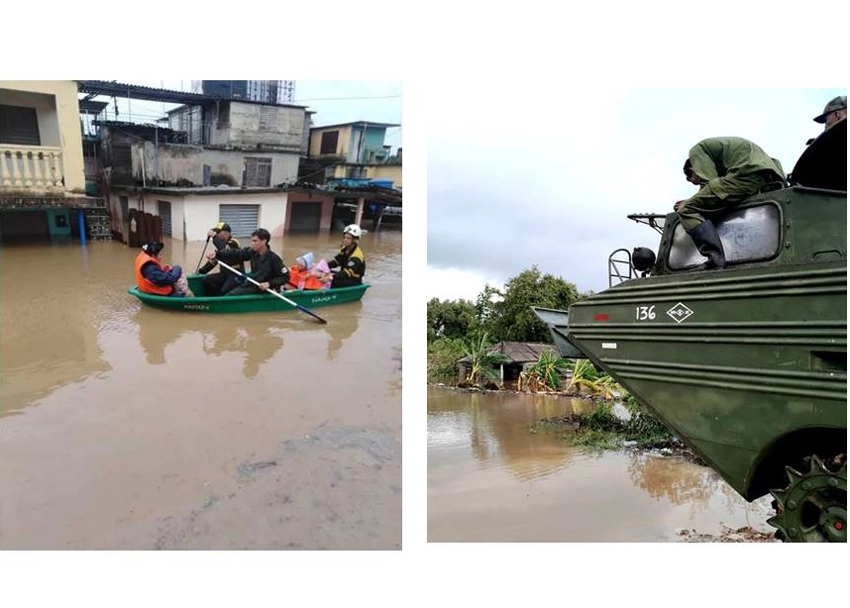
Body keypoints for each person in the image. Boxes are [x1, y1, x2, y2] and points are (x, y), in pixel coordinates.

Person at [674, 137, 785, 270]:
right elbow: (714, 189)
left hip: (744, 175)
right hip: (766, 177)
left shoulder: (696, 152)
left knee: (686, 209)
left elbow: (708, 182)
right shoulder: (723, 156)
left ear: (693, 169)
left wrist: (689, 202)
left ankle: (715, 260)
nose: (698, 184)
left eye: (695, 180)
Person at [204, 228, 287, 296]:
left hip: (262, 287)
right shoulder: (252, 252)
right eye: (251, 241)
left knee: (231, 295)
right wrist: (217, 254)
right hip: (252, 281)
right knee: (225, 289)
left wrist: (269, 283)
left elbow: (285, 276)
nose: (252, 244)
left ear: (264, 242)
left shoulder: (273, 258)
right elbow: (235, 253)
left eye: (255, 241)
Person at [198, 222, 243, 296]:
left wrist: (214, 237)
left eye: (218, 233)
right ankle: (210, 300)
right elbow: (214, 261)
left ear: (226, 233)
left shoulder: (233, 243)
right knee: (205, 280)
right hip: (225, 274)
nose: (217, 235)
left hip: (235, 275)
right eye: (216, 233)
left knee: (223, 291)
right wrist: (202, 271)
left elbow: (224, 249)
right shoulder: (221, 246)